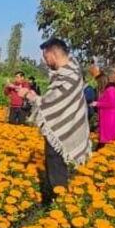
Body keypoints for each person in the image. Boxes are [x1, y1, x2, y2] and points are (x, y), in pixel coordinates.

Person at [19, 38, 91, 207]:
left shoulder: (68, 76)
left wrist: (29, 95)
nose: (45, 62)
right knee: (55, 163)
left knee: (56, 164)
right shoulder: (70, 71)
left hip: (62, 128)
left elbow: (52, 102)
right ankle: (56, 198)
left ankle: (60, 202)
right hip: (59, 127)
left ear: (52, 54)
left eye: (45, 57)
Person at [90, 72, 115, 145]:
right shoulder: (109, 89)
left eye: (98, 82)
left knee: (111, 139)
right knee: (110, 140)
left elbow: (112, 103)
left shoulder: (111, 89)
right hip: (108, 117)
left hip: (111, 118)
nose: (97, 84)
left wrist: (97, 103)